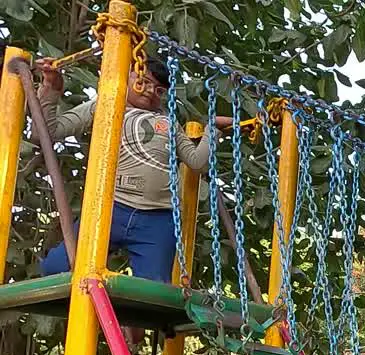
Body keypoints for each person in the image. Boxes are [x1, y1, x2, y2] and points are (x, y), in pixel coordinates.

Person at [34, 56, 234, 283]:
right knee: (56, 267)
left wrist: (212, 131)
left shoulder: (168, 123)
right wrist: (52, 88)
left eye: (158, 89)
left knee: (153, 290)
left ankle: (124, 318)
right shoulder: (105, 105)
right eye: (142, 82)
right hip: (111, 209)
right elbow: (45, 133)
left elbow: (198, 162)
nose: (150, 91)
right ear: (125, 77)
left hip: (157, 219)